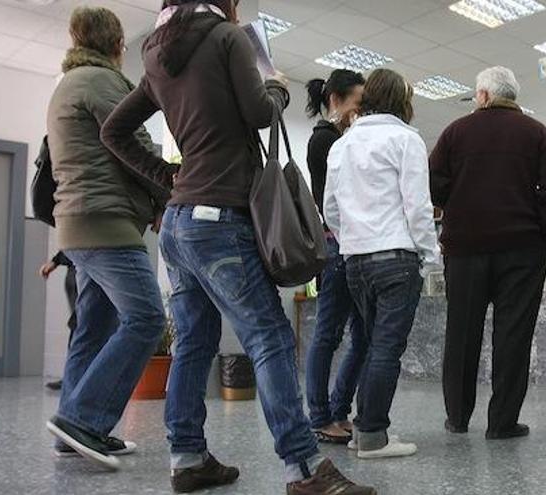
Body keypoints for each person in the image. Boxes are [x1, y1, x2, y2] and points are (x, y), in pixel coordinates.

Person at [101, 1, 374, 494]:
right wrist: (276, 87)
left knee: (192, 343)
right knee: (269, 337)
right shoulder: (228, 38)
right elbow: (259, 111)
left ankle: (187, 458)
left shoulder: (154, 56)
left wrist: (167, 177)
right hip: (221, 218)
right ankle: (305, 468)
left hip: (180, 224)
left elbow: (112, 130)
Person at [44, 6, 168, 468]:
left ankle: (72, 430)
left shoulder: (67, 86)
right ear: (117, 45)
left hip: (77, 224)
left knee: (93, 329)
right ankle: (84, 419)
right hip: (107, 222)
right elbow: (135, 148)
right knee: (146, 317)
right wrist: (166, 194)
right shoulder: (102, 82)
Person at [429, 66, 546, 439]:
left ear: (484, 96)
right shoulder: (538, 133)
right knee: (513, 337)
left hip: (465, 251)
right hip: (522, 251)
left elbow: (434, 185)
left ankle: (457, 417)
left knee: (461, 334)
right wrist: (542, 235)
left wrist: (459, 206)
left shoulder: (455, 132)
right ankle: (502, 422)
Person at [324, 68, 440, 459]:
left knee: (373, 345)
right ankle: (373, 433)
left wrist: (353, 240)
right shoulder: (406, 139)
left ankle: (362, 429)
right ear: (402, 101)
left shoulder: (343, 144)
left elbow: (330, 209)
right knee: (386, 349)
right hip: (396, 258)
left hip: (356, 261)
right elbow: (417, 206)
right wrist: (429, 254)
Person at [304, 69, 367, 445]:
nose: (359, 111)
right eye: (357, 102)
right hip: (335, 246)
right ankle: (319, 415)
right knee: (327, 335)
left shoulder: (343, 138)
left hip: (353, 247)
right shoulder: (325, 141)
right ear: (335, 99)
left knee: (362, 337)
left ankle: (338, 408)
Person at [40, 251, 78, 391]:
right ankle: (73, 377)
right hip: (78, 271)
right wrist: (56, 260)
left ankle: (74, 377)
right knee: (79, 327)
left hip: (83, 271)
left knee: (80, 327)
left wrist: (55, 261)